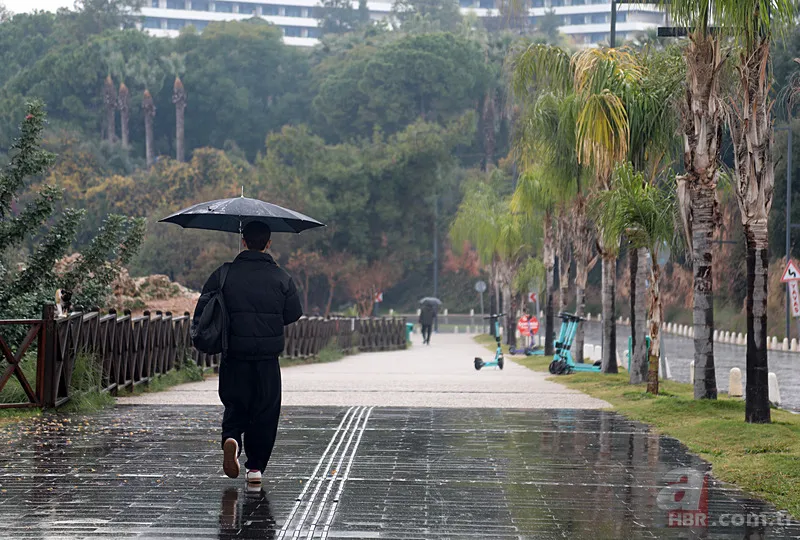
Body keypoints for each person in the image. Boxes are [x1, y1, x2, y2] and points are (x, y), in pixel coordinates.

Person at [194, 221, 303, 486]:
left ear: (243, 241)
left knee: (235, 403)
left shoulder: (224, 274)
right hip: (267, 357)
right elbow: (293, 313)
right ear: (268, 244)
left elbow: (205, 306)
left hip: (234, 354)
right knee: (265, 410)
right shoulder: (281, 277)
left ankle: (231, 438)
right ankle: (255, 468)